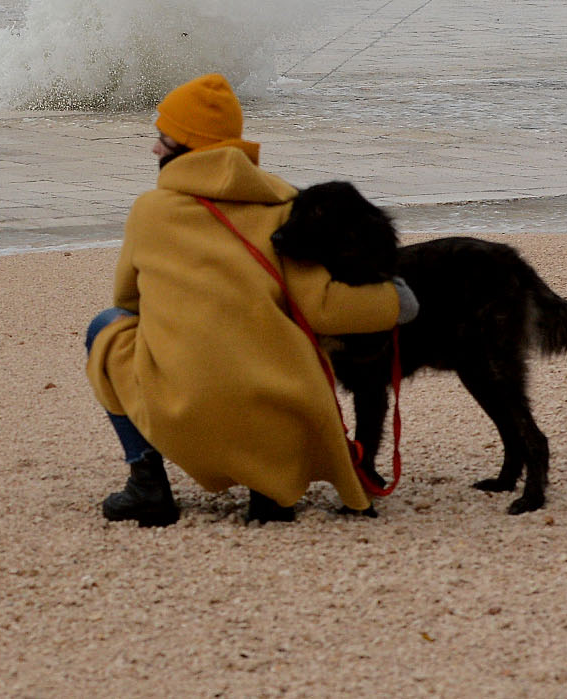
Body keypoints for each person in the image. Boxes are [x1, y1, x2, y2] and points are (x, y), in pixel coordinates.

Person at [84, 73, 412, 525]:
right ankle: (270, 486)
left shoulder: (150, 211)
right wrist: (396, 301)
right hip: (282, 408)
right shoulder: (283, 206)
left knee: (105, 325)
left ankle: (147, 485)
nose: (155, 149)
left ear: (189, 148)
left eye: (164, 138)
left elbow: (127, 300)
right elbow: (323, 309)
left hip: (184, 413)